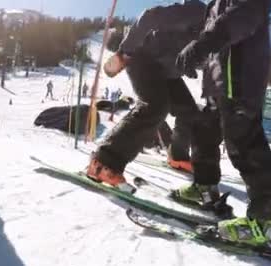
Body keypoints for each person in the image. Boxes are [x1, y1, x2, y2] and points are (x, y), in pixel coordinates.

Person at [173, 0, 271, 247]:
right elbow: (215, 32)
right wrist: (200, 54)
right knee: (204, 128)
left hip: (240, 78)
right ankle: (205, 187)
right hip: (219, 81)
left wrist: (201, 45)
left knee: (243, 141)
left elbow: (243, 16)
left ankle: (269, 223)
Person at [86, 0, 207, 187]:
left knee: (189, 112)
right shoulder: (198, 12)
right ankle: (103, 163)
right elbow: (151, 17)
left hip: (167, 72)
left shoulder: (224, 36)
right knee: (156, 105)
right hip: (144, 58)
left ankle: (177, 155)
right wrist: (124, 53)